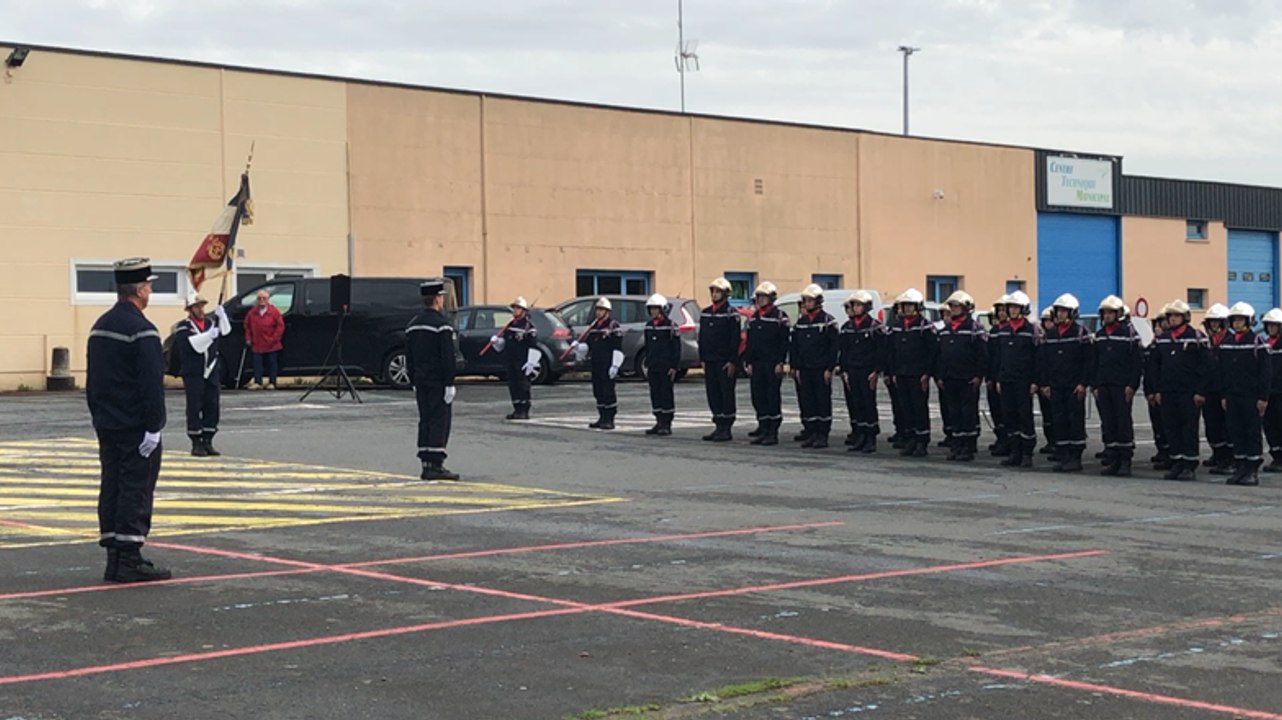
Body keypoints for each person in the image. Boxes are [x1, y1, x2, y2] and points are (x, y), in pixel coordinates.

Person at [86, 257, 171, 583]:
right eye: (148, 285)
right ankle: (129, 558)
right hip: (136, 426)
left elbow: (94, 381)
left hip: (108, 423)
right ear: (139, 289)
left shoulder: (100, 326)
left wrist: (99, 417)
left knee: (112, 486)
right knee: (135, 490)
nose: (149, 290)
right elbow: (151, 385)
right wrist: (154, 426)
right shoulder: (142, 330)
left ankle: (114, 556)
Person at [1149, 300, 1212, 481]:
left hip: (1189, 393)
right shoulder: (1162, 339)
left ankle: (1189, 464)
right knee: (1171, 428)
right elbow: (1155, 366)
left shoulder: (1197, 337)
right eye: (1171, 316)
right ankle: (1176, 462)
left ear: (1185, 317)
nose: (1173, 319)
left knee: (1188, 428)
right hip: (1168, 392)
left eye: (1177, 316)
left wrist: (1201, 391)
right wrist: (1157, 389)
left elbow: (1206, 367)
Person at [406, 280, 459, 481]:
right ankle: (436, 464)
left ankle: (425, 462)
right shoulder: (442, 326)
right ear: (437, 299)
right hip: (438, 381)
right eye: (442, 297)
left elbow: (409, 356)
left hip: (420, 380)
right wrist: (449, 383)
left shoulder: (413, 325)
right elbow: (447, 357)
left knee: (425, 419)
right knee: (439, 420)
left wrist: (412, 379)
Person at [1039, 294, 1093, 473]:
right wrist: (1045, 383)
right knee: (1059, 420)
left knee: (1075, 421)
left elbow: (1088, 361)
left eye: (1064, 311)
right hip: (1056, 385)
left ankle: (1075, 457)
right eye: (1058, 311)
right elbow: (1045, 361)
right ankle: (1063, 455)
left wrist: (1083, 383)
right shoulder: (1051, 335)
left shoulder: (1080, 333)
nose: (1060, 314)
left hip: (1073, 386)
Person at [1218, 303, 1270, 486]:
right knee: (1235, 431)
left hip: (1251, 397)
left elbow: (1265, 373)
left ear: (1248, 321)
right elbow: (1222, 371)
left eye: (1240, 320)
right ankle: (1240, 467)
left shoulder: (1257, 342)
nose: (1237, 323)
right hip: (1232, 396)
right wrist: (1224, 395)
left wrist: (1263, 397)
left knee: (1251, 432)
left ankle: (1252, 469)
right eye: (1234, 320)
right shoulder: (1227, 342)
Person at [1092, 295, 1144, 477]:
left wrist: (1132, 385)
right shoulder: (1099, 336)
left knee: (1123, 423)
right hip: (1103, 385)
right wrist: (1095, 385)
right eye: (1104, 313)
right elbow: (1094, 362)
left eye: (1110, 313)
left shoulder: (1129, 335)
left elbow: (1137, 364)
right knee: (1108, 423)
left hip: (1122, 386)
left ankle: (1125, 461)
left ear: (1118, 314)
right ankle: (1112, 458)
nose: (1107, 316)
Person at [173, 293, 231, 456]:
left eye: (202, 306)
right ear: (190, 309)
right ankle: (196, 441)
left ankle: (208, 439)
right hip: (194, 372)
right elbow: (194, 345)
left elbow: (225, 332)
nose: (201, 309)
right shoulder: (183, 327)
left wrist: (222, 316)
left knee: (212, 405)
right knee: (194, 406)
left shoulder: (210, 323)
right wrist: (209, 335)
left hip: (211, 370)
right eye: (197, 306)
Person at [935, 291, 986, 462]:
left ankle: (968, 446)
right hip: (950, 378)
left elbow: (982, 355)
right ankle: (956, 444)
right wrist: (940, 375)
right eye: (951, 306)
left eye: (956, 306)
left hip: (967, 378)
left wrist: (979, 375)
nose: (953, 309)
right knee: (954, 412)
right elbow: (941, 355)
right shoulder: (946, 331)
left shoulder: (975, 330)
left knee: (968, 413)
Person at [886, 288, 937, 457]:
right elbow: (892, 350)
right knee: (905, 408)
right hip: (901, 373)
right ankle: (910, 439)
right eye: (904, 305)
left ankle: (922, 441)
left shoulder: (925, 326)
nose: (906, 309)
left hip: (918, 374)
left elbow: (932, 352)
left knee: (919, 408)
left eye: (910, 305)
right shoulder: (897, 326)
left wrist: (927, 373)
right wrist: (892, 371)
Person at [790, 284, 839, 448]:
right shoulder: (801, 323)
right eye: (805, 300)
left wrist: (829, 368)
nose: (807, 303)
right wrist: (795, 366)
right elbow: (795, 347)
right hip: (804, 368)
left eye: (810, 300)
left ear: (818, 301)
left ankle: (823, 434)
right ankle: (811, 432)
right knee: (807, 401)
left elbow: (833, 347)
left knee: (822, 401)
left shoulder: (828, 321)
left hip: (820, 368)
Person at [994, 291, 1039, 468]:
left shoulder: (1031, 331)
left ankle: (1027, 453)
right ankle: (1015, 452)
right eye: (1010, 307)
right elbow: (1000, 357)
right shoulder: (1003, 331)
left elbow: (1037, 359)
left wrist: (1035, 381)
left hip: (1024, 381)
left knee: (1025, 416)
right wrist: (999, 378)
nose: (1012, 311)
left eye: (1016, 307)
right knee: (1009, 416)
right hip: (1006, 380)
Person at [743, 282, 790, 446]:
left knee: (772, 397)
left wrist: (780, 362)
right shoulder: (754, 317)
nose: (760, 300)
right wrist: (748, 361)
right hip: (757, 364)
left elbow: (783, 342)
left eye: (763, 297)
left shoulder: (779, 317)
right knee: (758, 396)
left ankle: (773, 431)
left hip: (771, 363)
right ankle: (763, 427)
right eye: (758, 297)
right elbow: (750, 342)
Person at [837, 291, 883, 454]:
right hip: (853, 370)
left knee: (868, 404)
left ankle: (871, 438)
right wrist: (844, 371)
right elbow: (844, 351)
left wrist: (876, 371)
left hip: (867, 371)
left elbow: (880, 351)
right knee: (857, 404)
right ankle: (860, 435)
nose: (855, 308)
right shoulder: (848, 327)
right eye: (853, 305)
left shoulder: (874, 327)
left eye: (858, 305)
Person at [699, 277, 742, 442]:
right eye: (713, 291)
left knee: (726, 393)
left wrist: (732, 361)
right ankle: (718, 424)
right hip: (710, 359)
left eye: (718, 292)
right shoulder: (706, 312)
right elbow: (702, 337)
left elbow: (734, 339)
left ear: (725, 294)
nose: (714, 294)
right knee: (713, 393)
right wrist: (702, 357)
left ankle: (727, 427)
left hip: (724, 360)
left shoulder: (731, 314)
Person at [570, 297, 623, 430]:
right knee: (598, 390)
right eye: (597, 310)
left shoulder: (613, 326)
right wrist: (578, 346)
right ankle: (601, 416)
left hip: (608, 362)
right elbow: (588, 345)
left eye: (601, 310)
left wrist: (615, 365)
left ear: (607, 312)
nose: (598, 313)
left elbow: (617, 346)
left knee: (608, 390)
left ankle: (609, 418)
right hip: (596, 362)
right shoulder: (594, 327)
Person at [490, 296, 540, 420]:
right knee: (513, 385)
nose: (515, 310)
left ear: (523, 310)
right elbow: (506, 342)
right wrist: (497, 342)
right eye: (514, 308)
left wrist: (531, 362)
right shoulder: (511, 324)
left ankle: (524, 409)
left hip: (522, 360)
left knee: (523, 385)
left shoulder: (528, 327)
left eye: (517, 308)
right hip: (511, 359)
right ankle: (516, 408)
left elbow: (533, 345)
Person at [1200, 304, 1234, 475]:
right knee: (1212, 425)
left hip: (1226, 391)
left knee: (1227, 427)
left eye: (1216, 323)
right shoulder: (1207, 343)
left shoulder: (1230, 342)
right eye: (1210, 323)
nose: (1213, 326)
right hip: (1210, 391)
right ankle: (1218, 454)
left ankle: (1229, 458)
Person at [643, 294, 682, 436]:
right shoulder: (649, 326)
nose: (653, 311)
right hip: (653, 365)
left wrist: (674, 366)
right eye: (651, 309)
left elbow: (676, 348)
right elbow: (648, 346)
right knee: (655, 394)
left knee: (666, 394)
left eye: (655, 309)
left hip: (666, 366)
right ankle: (658, 421)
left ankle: (666, 423)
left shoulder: (670, 326)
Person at [1144, 308, 1173, 469]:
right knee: (1157, 424)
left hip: (1166, 392)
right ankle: (1161, 450)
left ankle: (1171, 453)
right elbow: (1149, 371)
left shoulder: (1168, 345)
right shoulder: (1152, 345)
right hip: (1153, 392)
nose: (1159, 327)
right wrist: (1149, 391)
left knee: (1168, 424)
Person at [243, 288, 284, 390]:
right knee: (257, 364)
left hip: (272, 344)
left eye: (264, 298)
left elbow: (280, 326)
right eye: (259, 298)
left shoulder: (274, 312)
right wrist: (248, 338)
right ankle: (258, 382)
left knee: (272, 364)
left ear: (268, 299)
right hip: (257, 343)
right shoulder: (252, 312)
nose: (261, 300)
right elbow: (246, 325)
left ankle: (272, 382)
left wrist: (274, 338)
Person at [986, 296, 1012, 457]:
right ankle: (1001, 438)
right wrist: (989, 377)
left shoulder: (1011, 330)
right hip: (994, 377)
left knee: (1007, 411)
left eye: (1004, 310)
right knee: (995, 409)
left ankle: (1010, 442)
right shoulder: (994, 331)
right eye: (1000, 310)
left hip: (1007, 378)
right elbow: (989, 356)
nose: (1002, 313)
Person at [1260, 308, 1282, 473]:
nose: (1271, 328)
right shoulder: (1264, 344)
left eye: (1275, 326)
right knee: (1270, 425)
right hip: (1268, 392)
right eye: (1269, 325)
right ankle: (1276, 455)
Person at [1036, 307, 1058, 455]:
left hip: (1056, 383)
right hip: (1042, 383)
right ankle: (1050, 441)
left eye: (1050, 320)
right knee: (1047, 415)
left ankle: (1058, 443)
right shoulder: (1041, 340)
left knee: (1057, 414)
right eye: (1045, 321)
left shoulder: (1057, 338)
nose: (1048, 324)